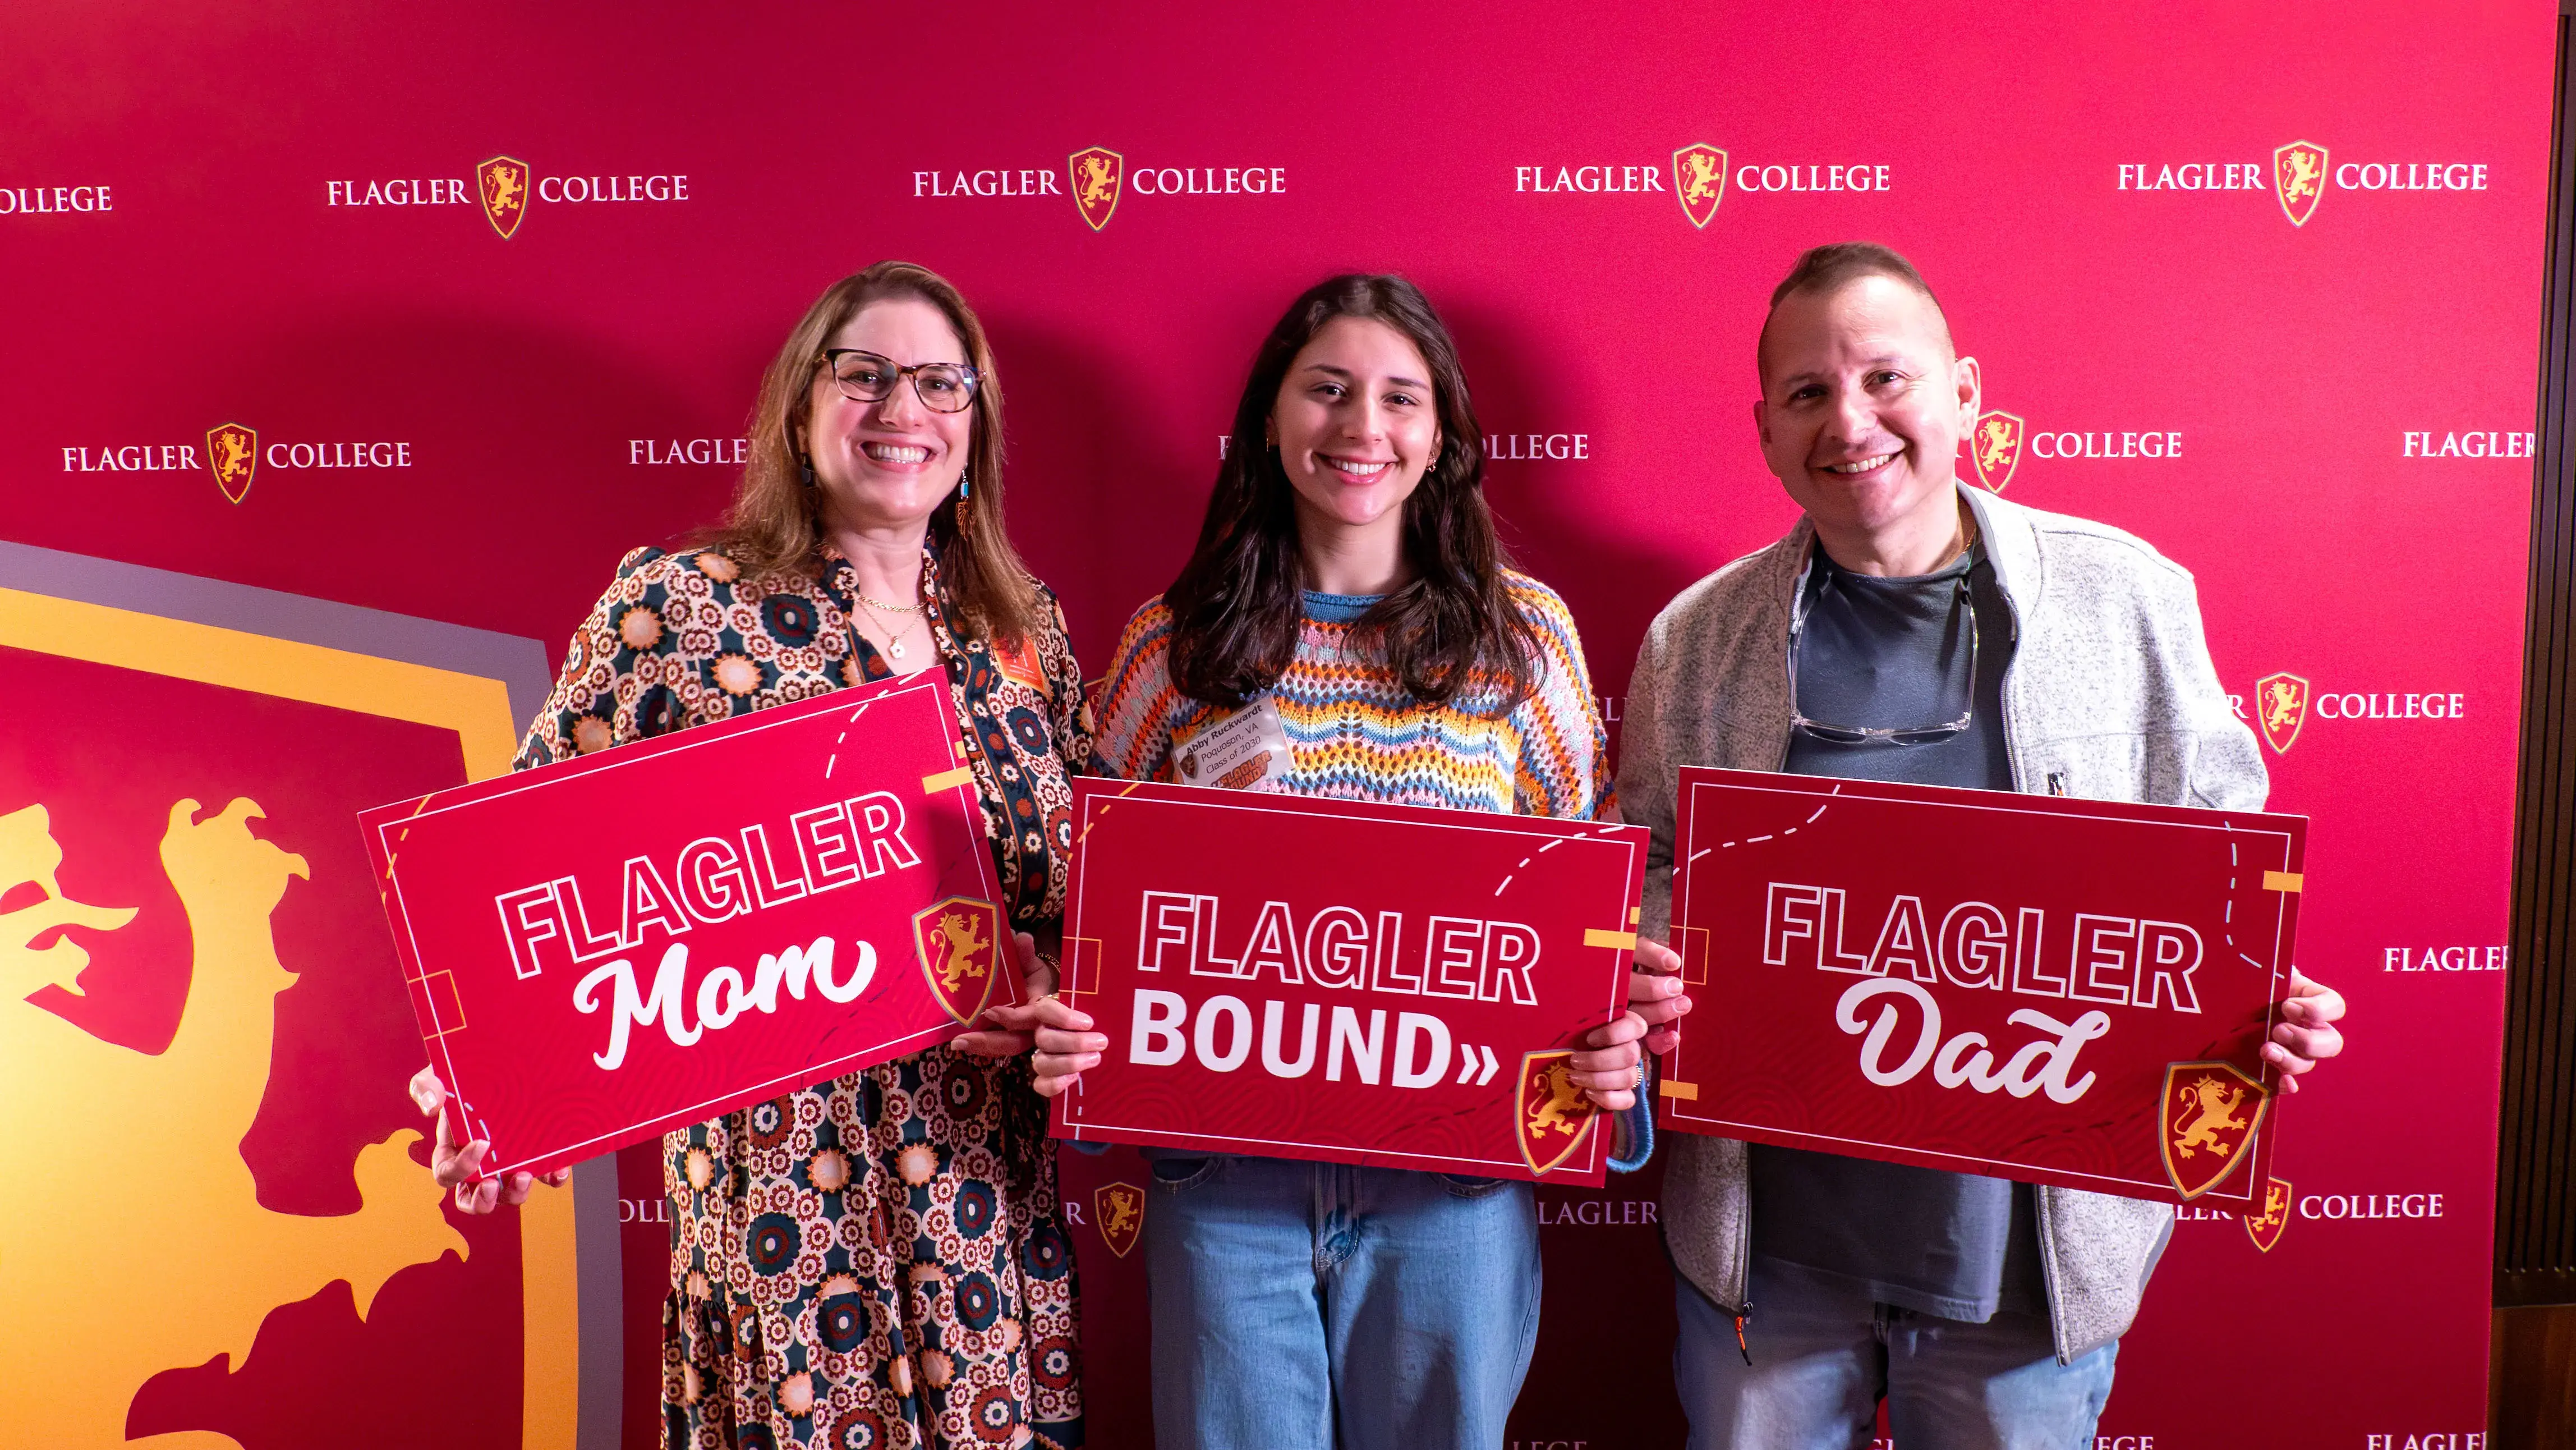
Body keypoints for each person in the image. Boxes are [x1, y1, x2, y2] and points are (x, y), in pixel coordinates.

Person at [1616, 241, 2350, 1448]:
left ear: (1964, 393)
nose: (1848, 420)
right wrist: (1643, 945)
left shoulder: (2125, 596)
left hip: (2025, 1255)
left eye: (1884, 378)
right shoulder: (1692, 638)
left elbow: (2222, 861)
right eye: (1807, 392)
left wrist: (2257, 994)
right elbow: (1647, 856)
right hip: (1772, 1246)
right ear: (1764, 429)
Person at [407, 261, 1096, 1450]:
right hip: (780, 1189)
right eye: (865, 374)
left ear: (973, 425)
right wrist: (486, 1090)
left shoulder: (1018, 625)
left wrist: (1064, 995)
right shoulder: (679, 604)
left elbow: (1080, 888)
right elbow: (509, 870)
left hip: (987, 1191)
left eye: (940, 382)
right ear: (800, 404)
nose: (902, 410)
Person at [1028, 273, 1687, 1449]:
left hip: (1454, 1188)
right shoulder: (1170, 645)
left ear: (1440, 437)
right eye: (1325, 390)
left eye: (1398, 397)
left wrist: (1614, 1044)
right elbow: (1097, 908)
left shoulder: (1519, 639)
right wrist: (1080, 1030)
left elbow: (1594, 892)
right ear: (1272, 418)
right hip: (1224, 1186)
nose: (1360, 426)